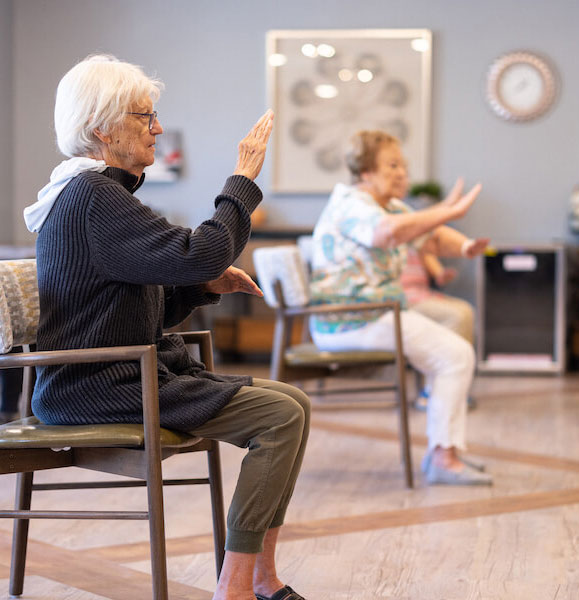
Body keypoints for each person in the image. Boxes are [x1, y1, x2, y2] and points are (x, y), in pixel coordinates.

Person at [23, 54, 309, 600]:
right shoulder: (91, 198)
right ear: (102, 128)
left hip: (117, 378)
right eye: (144, 116)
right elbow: (202, 251)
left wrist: (203, 287)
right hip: (95, 389)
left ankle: (263, 577)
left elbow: (141, 304)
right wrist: (242, 182)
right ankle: (236, 586)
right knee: (280, 417)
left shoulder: (94, 197)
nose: (157, 128)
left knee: (295, 402)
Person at [310, 129, 491, 486]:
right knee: (455, 356)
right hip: (351, 322)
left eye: (403, 165)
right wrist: (443, 210)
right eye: (391, 165)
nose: (401, 173)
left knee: (454, 355)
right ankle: (443, 457)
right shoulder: (352, 204)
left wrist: (466, 244)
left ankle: (444, 452)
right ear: (365, 171)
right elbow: (387, 234)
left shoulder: (388, 206)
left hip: (379, 315)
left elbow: (432, 237)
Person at [400, 246, 477, 411]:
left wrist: (442, 274)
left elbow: (438, 274)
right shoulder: (383, 236)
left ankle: (452, 386)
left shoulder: (418, 244)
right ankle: (433, 390)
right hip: (402, 300)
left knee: (465, 310)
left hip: (423, 295)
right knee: (457, 315)